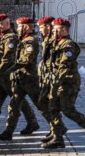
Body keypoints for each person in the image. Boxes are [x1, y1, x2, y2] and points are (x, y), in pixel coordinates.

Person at [43, 18, 85, 149]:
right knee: (53, 108)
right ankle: (58, 138)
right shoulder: (56, 43)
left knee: (67, 110)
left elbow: (64, 66)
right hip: (57, 81)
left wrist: (56, 83)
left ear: (64, 30)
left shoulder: (68, 45)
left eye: (55, 29)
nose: (52, 32)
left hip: (68, 81)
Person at [0, 17, 53, 141]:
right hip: (20, 79)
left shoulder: (30, 41)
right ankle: (8, 131)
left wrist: (9, 69)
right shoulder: (22, 40)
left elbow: (27, 60)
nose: (18, 29)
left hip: (30, 80)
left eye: (20, 26)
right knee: (14, 105)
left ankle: (56, 129)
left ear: (27, 27)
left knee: (41, 105)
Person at [0, 14, 39, 139]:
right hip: (1, 77)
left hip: (8, 76)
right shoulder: (2, 37)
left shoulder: (10, 38)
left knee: (18, 101)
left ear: (6, 24)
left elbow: (7, 59)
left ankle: (32, 123)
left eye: (1, 23)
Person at [37, 16, 67, 145]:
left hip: (55, 79)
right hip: (47, 78)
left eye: (41, 27)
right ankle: (56, 130)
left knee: (53, 107)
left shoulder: (55, 41)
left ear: (48, 27)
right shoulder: (47, 40)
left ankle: (58, 134)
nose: (39, 30)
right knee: (44, 104)